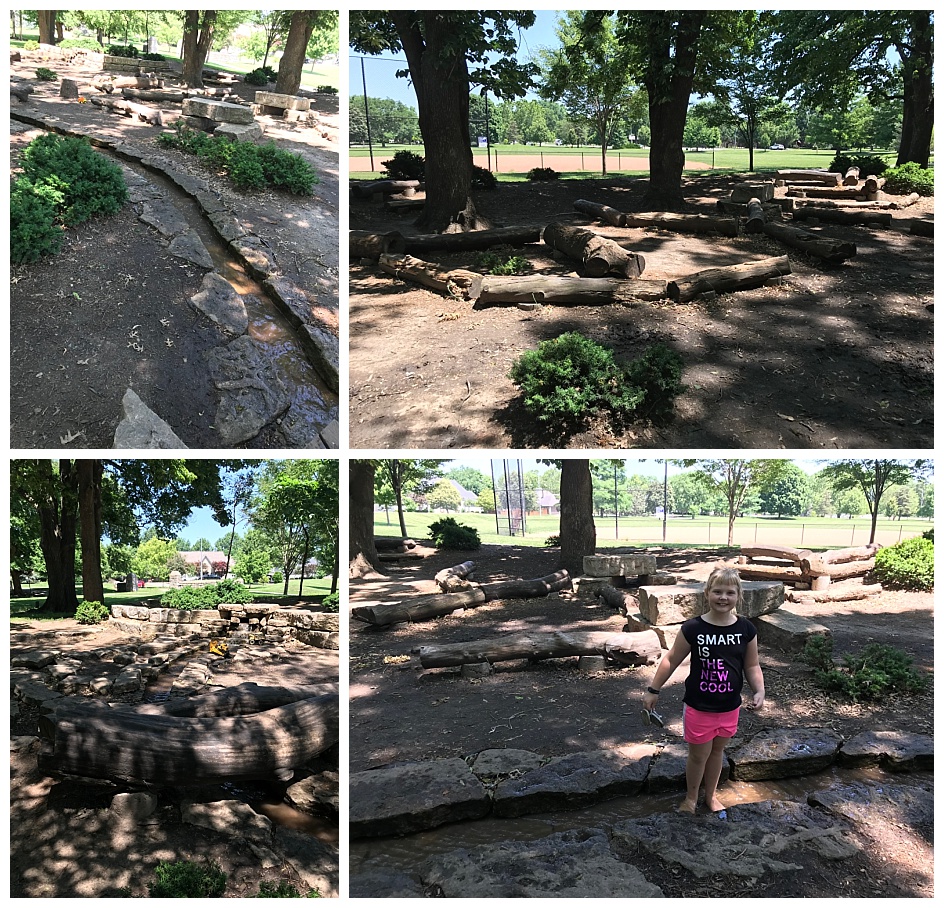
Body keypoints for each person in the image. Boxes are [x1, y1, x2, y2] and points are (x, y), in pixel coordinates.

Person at [642, 565, 765, 814]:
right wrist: (653, 689)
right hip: (699, 706)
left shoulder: (746, 630)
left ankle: (710, 796)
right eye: (717, 591)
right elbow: (670, 659)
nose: (723, 597)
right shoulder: (694, 628)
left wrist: (759, 690)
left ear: (738, 596)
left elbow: (752, 665)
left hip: (730, 707)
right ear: (707, 593)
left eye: (730, 593)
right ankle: (690, 798)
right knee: (699, 756)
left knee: (717, 752)